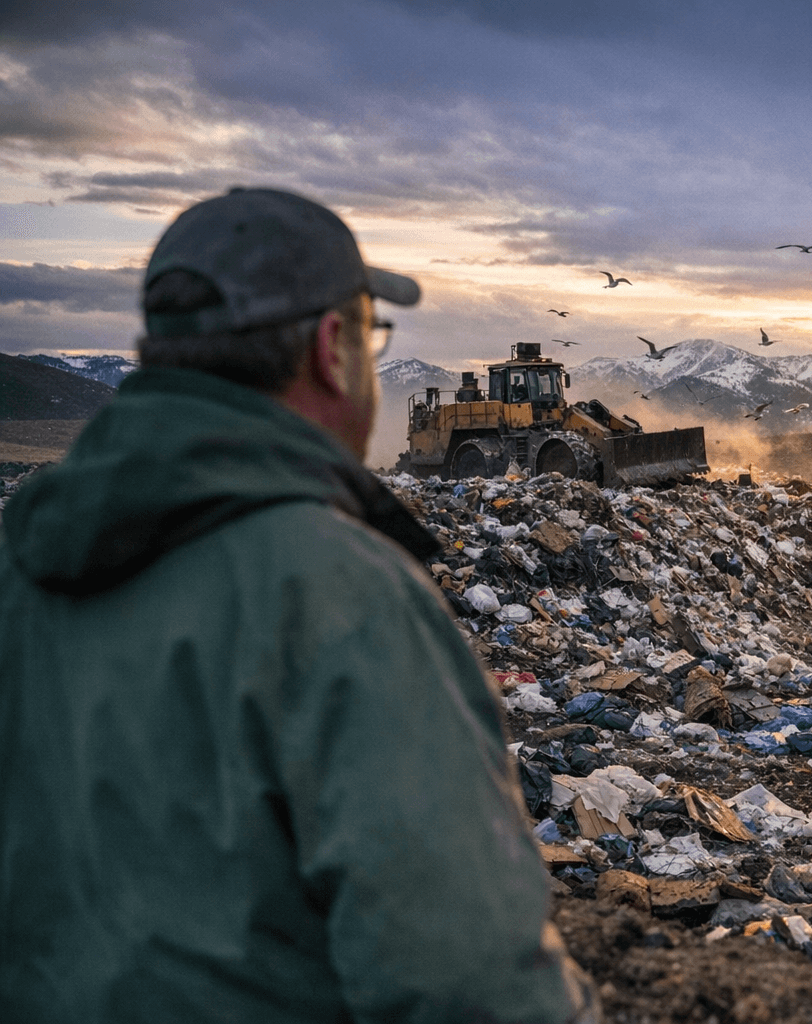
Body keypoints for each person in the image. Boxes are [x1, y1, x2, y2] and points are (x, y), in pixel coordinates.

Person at [0, 188, 596, 1023]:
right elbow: (474, 986)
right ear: (331, 349)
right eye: (369, 334)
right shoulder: (342, 593)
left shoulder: (19, 561)